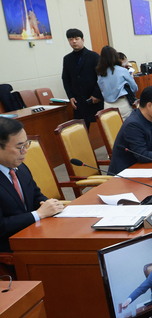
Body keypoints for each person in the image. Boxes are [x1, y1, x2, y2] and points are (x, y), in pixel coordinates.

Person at [0, 118, 63, 253]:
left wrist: (52, 206)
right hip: (9, 247)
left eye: (26, 145)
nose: (25, 151)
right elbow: (1, 226)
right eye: (19, 147)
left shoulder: (20, 168)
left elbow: (36, 197)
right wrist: (38, 214)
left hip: (33, 233)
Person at [108, 86, 152, 175]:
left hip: (141, 169)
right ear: (149, 106)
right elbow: (142, 155)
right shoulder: (133, 125)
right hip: (124, 175)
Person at [62, 28, 103, 130]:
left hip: (93, 98)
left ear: (82, 40)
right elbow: (65, 78)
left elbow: (102, 76)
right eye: (71, 39)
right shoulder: (67, 59)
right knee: (81, 130)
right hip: (78, 101)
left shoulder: (93, 56)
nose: (74, 41)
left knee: (103, 127)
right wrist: (70, 96)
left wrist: (96, 94)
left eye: (76, 38)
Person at [96, 46, 138, 120]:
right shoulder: (122, 70)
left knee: (112, 129)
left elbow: (101, 88)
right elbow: (134, 88)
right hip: (122, 104)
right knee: (127, 128)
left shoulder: (100, 73)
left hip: (107, 106)